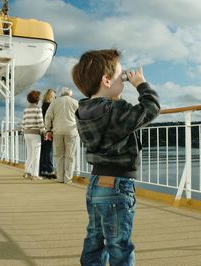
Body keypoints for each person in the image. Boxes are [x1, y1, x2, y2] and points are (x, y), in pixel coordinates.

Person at [72, 49, 161, 266]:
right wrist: (141, 84)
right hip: (118, 185)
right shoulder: (115, 110)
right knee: (119, 244)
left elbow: (109, 120)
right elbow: (151, 108)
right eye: (122, 76)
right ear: (106, 80)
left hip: (95, 184)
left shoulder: (83, 110)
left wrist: (116, 92)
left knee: (95, 239)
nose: (125, 80)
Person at [44, 87, 79, 184]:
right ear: (70, 94)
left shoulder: (55, 102)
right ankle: (67, 178)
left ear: (61, 94)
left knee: (59, 155)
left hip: (57, 131)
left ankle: (60, 178)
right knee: (70, 156)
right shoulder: (75, 102)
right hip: (71, 131)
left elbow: (48, 116)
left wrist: (48, 130)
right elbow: (81, 116)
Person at [20, 90, 45, 180]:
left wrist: (23, 130)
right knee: (36, 155)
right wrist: (44, 131)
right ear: (37, 99)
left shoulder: (26, 110)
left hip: (27, 133)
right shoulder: (38, 109)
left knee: (30, 153)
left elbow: (23, 123)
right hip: (35, 133)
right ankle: (35, 174)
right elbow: (40, 122)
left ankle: (27, 171)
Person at [40, 88, 56, 178]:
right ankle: (49, 170)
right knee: (48, 151)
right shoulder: (49, 105)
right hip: (48, 131)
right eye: (54, 95)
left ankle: (43, 170)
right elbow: (49, 118)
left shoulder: (43, 105)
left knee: (44, 151)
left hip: (44, 130)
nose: (55, 97)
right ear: (51, 96)